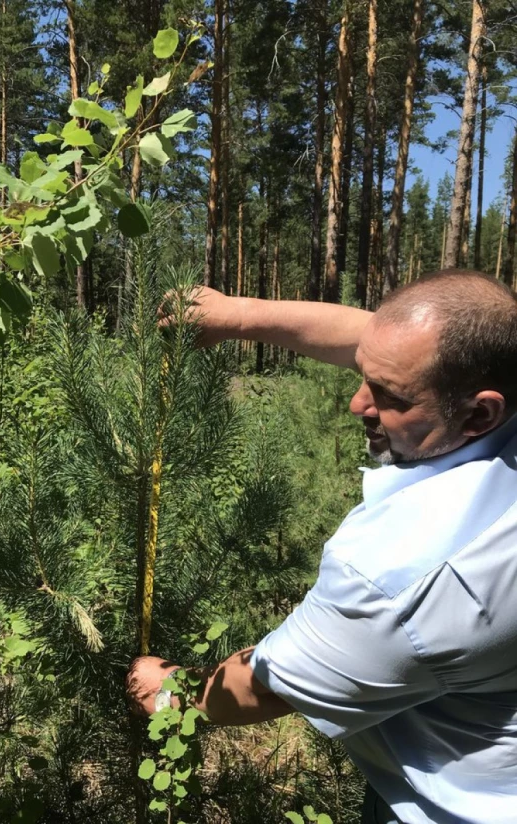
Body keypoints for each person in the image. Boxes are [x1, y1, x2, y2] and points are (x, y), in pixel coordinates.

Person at [126, 269, 517, 824]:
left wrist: (174, 694)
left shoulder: (408, 573)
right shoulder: (496, 380)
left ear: (480, 412)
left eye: (388, 396)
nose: (358, 404)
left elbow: (267, 688)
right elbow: (371, 338)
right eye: (364, 375)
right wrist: (234, 315)